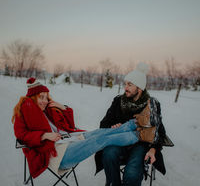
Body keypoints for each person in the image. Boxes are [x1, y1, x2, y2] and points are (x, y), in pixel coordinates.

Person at [12, 77, 159, 180]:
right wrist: (44, 135)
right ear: (32, 98)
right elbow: (21, 135)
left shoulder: (47, 111)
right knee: (102, 140)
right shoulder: (25, 111)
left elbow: (69, 124)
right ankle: (140, 133)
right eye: (41, 97)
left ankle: (138, 123)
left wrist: (60, 106)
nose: (45, 101)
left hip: (69, 141)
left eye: (46, 97)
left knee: (100, 133)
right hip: (57, 154)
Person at [94, 63, 173, 186]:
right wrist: (112, 127)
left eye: (130, 84)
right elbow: (103, 124)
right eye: (125, 83)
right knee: (108, 153)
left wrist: (154, 149)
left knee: (133, 170)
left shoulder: (152, 104)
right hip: (120, 143)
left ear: (139, 87)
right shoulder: (118, 102)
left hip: (141, 146)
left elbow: (159, 132)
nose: (126, 87)